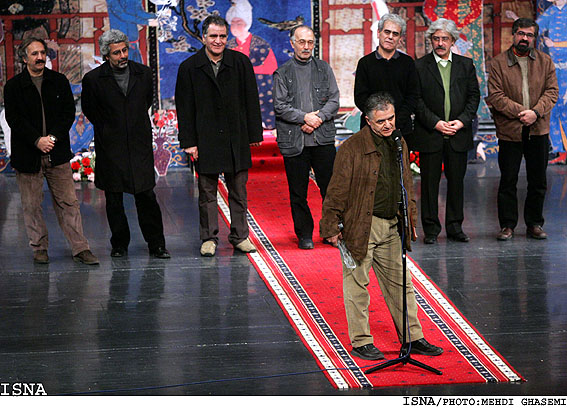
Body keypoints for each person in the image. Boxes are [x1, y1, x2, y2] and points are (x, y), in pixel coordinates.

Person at [320, 92, 443, 360]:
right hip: (361, 225)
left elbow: (406, 183)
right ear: (368, 121)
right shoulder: (352, 148)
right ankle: (361, 341)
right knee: (357, 285)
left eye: (391, 118)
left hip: (392, 225)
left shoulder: (399, 142)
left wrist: (410, 218)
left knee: (401, 283)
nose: (388, 125)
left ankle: (413, 337)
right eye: (381, 121)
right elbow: (336, 190)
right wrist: (330, 226)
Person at [3, 37, 99, 265]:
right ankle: (39, 248)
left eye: (42, 53)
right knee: (31, 205)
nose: (40, 57)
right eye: (34, 54)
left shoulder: (58, 81)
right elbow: (14, 119)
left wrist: (52, 139)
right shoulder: (13, 86)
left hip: (57, 153)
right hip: (28, 155)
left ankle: (80, 248)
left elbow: (67, 114)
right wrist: (37, 141)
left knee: (68, 202)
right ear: (24, 59)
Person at [175, 15, 263, 257]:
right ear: (204, 37)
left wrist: (254, 133)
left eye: (222, 36)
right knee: (207, 194)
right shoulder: (189, 68)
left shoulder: (240, 63)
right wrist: (189, 142)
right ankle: (209, 238)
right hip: (206, 139)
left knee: (239, 192)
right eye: (213, 36)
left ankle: (240, 236)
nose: (218, 40)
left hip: (236, 137)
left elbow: (251, 99)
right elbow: (184, 108)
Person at [81, 29, 170, 258]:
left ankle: (157, 244)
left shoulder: (143, 73)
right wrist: (109, 129)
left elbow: (145, 102)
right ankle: (119, 244)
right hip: (111, 146)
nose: (122, 56)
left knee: (146, 196)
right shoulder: (93, 80)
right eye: (116, 53)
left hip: (139, 145)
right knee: (114, 198)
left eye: (124, 50)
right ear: (106, 55)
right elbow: (90, 109)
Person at [486, 18, 558, 241]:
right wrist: (522, 112)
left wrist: (535, 112)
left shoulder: (545, 61)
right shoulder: (498, 63)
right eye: (521, 34)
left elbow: (552, 92)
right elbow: (496, 96)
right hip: (510, 130)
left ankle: (534, 223)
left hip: (538, 129)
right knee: (508, 180)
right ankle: (507, 225)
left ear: (534, 38)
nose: (524, 38)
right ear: (514, 34)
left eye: (529, 35)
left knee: (538, 180)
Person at [411, 18, 480, 244]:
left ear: (453, 41)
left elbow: (474, 97)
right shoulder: (419, 66)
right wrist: (436, 123)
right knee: (429, 184)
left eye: (445, 39)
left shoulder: (466, 65)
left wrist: (461, 122)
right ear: (430, 40)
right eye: (436, 38)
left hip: (458, 133)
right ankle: (431, 230)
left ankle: (455, 227)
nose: (440, 43)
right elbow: (416, 100)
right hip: (430, 133)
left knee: (457, 183)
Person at [273, 25, 340, 250]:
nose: (306, 46)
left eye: (310, 42)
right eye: (301, 42)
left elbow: (334, 100)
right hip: (295, 140)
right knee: (298, 192)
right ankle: (304, 234)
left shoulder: (324, 68)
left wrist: (318, 118)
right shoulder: (282, 73)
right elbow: (280, 106)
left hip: (322, 139)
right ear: (292, 44)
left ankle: (331, 231)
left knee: (330, 189)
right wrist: (305, 118)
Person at [354, 13, 419, 140]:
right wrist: (379, 122)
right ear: (378, 33)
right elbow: (360, 98)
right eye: (387, 32)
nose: (390, 37)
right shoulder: (365, 63)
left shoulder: (408, 63)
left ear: (400, 38)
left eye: (395, 34)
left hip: (401, 129)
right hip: (372, 130)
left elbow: (413, 96)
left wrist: (395, 123)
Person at [226, 0, 278, 129]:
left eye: (239, 23)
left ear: (247, 24)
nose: (235, 27)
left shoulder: (261, 44)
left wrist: (247, 70)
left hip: (260, 89)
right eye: (233, 24)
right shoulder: (228, 46)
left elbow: (272, 68)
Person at [537, 0, 567, 165]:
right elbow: (535, 28)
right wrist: (517, 21)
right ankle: (561, 151)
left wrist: (556, 44)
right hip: (555, 68)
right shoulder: (551, 12)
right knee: (553, 109)